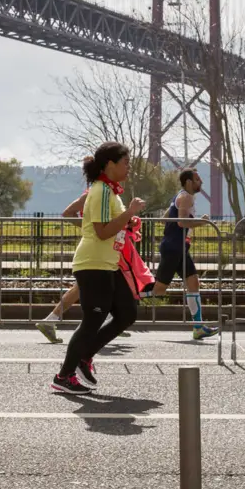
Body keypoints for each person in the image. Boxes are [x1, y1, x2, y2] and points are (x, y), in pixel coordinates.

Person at [51, 142, 144, 394]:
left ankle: (84, 356)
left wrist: (129, 221)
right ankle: (64, 375)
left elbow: (107, 226)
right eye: (125, 162)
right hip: (93, 264)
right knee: (93, 319)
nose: (129, 167)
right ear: (110, 164)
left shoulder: (110, 191)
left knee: (127, 313)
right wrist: (129, 214)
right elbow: (102, 231)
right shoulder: (102, 190)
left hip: (108, 264)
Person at [144, 168, 219, 340]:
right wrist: (203, 221)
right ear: (188, 182)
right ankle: (121, 300)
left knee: (193, 283)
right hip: (173, 248)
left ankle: (198, 327)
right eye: (198, 179)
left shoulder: (181, 196)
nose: (201, 182)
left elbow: (165, 219)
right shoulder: (185, 197)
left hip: (179, 248)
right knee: (159, 290)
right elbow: (181, 222)